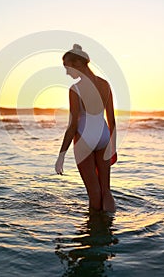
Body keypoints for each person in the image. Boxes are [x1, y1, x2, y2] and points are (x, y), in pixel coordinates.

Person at [55, 44, 117, 213]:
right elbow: (111, 120)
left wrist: (61, 155)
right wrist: (113, 147)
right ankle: (110, 227)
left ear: (77, 63)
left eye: (67, 67)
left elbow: (73, 125)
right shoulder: (105, 85)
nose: (67, 73)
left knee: (94, 193)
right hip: (104, 136)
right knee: (106, 190)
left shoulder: (75, 89)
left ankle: (94, 231)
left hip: (84, 138)